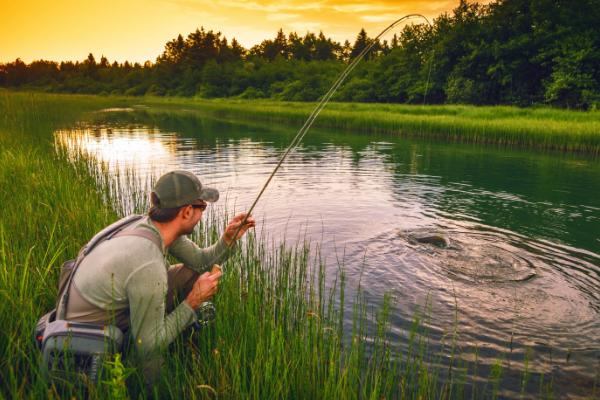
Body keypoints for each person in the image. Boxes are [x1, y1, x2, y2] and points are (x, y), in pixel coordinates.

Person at [55, 170, 255, 381]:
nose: (202, 214)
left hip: (98, 309)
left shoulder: (149, 225)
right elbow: (148, 346)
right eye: (202, 207)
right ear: (186, 212)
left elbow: (200, 262)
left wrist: (228, 239)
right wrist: (193, 301)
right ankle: (153, 389)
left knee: (192, 273)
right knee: (152, 352)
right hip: (89, 338)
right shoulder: (148, 263)